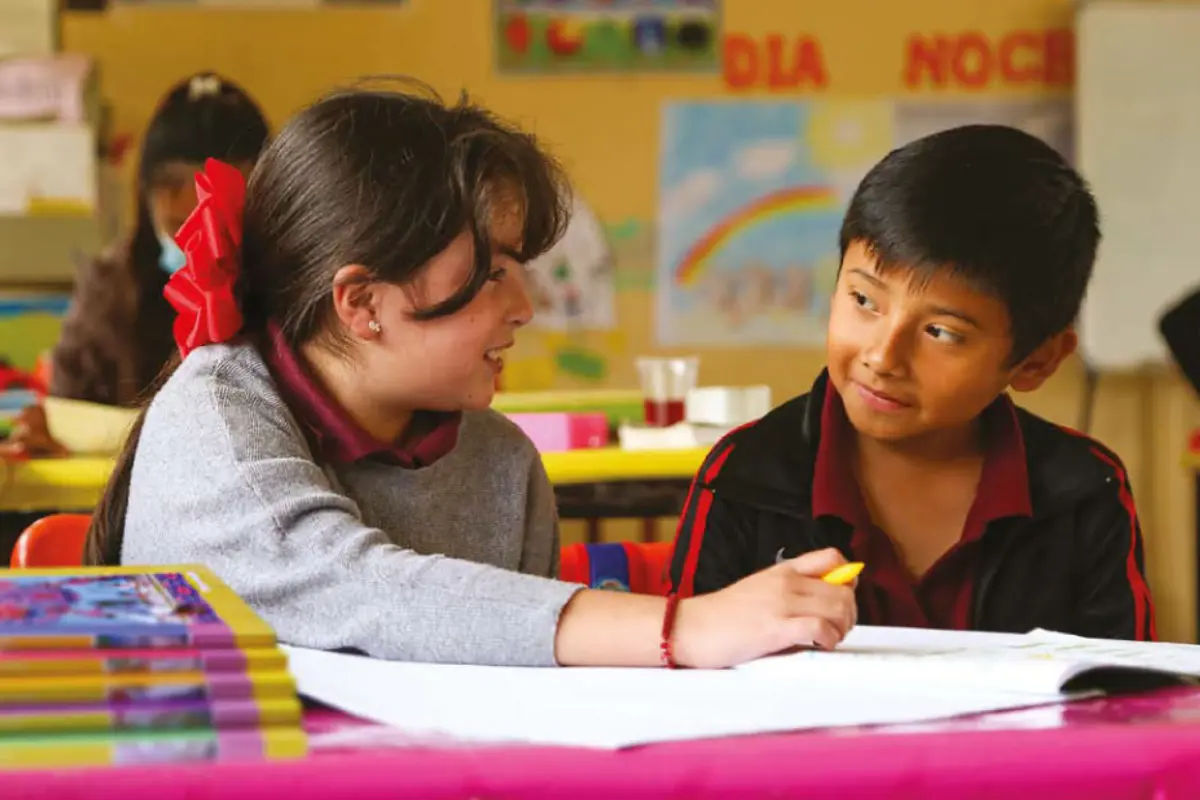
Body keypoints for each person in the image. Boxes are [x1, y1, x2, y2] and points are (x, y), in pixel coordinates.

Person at [83, 82, 857, 669]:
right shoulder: (213, 418)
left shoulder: (499, 463)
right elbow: (356, 589)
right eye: (492, 273)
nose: (524, 307)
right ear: (362, 302)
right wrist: (681, 627)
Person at [668, 124, 1157, 642]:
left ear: (1035, 361)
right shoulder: (745, 475)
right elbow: (684, 688)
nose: (883, 356)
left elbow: (1126, 701)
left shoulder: (1082, 491)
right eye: (864, 300)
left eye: (941, 332)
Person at [0, 73, 269, 459]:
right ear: (145, 198)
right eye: (179, 226)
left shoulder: (286, 289)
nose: (199, 246)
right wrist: (47, 437)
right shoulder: (111, 290)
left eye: (221, 222)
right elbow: (67, 408)